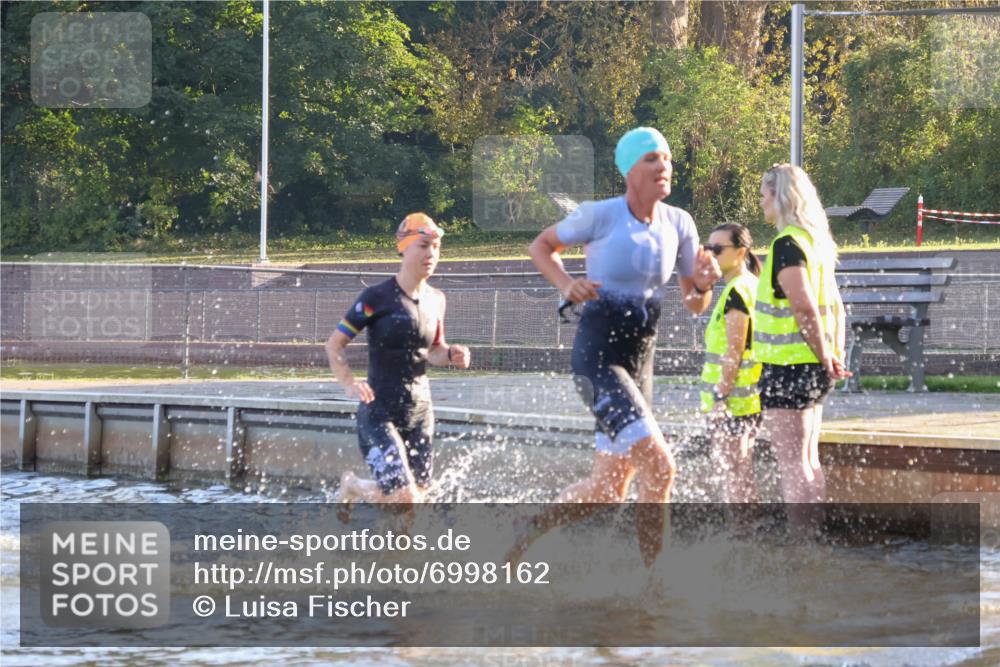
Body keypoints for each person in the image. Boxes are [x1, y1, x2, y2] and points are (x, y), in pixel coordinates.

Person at [507, 127, 722, 566]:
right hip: (598, 362)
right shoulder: (600, 215)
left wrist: (704, 284)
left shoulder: (679, 223)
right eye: (652, 159)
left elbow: (695, 304)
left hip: (640, 365)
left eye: (667, 158)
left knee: (607, 492)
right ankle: (654, 585)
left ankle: (529, 527)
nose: (664, 166)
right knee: (661, 468)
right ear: (630, 170)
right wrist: (568, 284)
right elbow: (541, 246)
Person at [326, 213, 471, 514]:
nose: (431, 254)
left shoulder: (437, 299)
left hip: (420, 410)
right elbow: (335, 344)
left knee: (413, 503)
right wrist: (349, 383)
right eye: (423, 245)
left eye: (436, 247)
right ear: (403, 247)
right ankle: (353, 485)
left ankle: (395, 560)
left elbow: (434, 351)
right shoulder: (375, 298)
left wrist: (453, 354)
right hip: (379, 410)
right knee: (406, 498)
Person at [754, 164, 850, 530]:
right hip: (813, 364)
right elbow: (835, 305)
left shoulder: (787, 245)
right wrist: (832, 355)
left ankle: (800, 546)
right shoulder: (816, 244)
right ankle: (813, 540)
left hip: (789, 366)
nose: (762, 201)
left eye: (765, 194)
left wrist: (826, 355)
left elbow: (804, 305)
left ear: (782, 197)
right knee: (809, 458)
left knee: (793, 463)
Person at [699, 223, 763, 506]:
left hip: (734, 402)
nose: (710, 253)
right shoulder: (750, 286)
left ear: (741, 251)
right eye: (707, 247)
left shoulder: (738, 291)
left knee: (734, 478)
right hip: (746, 400)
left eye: (717, 248)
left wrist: (720, 399)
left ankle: (741, 540)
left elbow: (734, 351)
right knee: (740, 474)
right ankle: (750, 540)